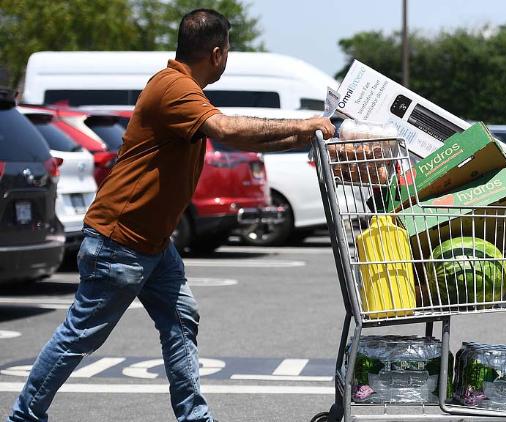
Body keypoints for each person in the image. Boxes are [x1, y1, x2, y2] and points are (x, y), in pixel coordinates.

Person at [7, 9, 334, 422]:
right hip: (120, 242)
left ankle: (194, 417)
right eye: (228, 50)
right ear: (217, 53)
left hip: (154, 245)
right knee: (80, 336)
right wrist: (308, 122)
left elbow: (249, 138)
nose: (227, 58)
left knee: (181, 317)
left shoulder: (184, 89)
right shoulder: (175, 89)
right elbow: (229, 130)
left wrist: (312, 135)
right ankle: (24, 417)